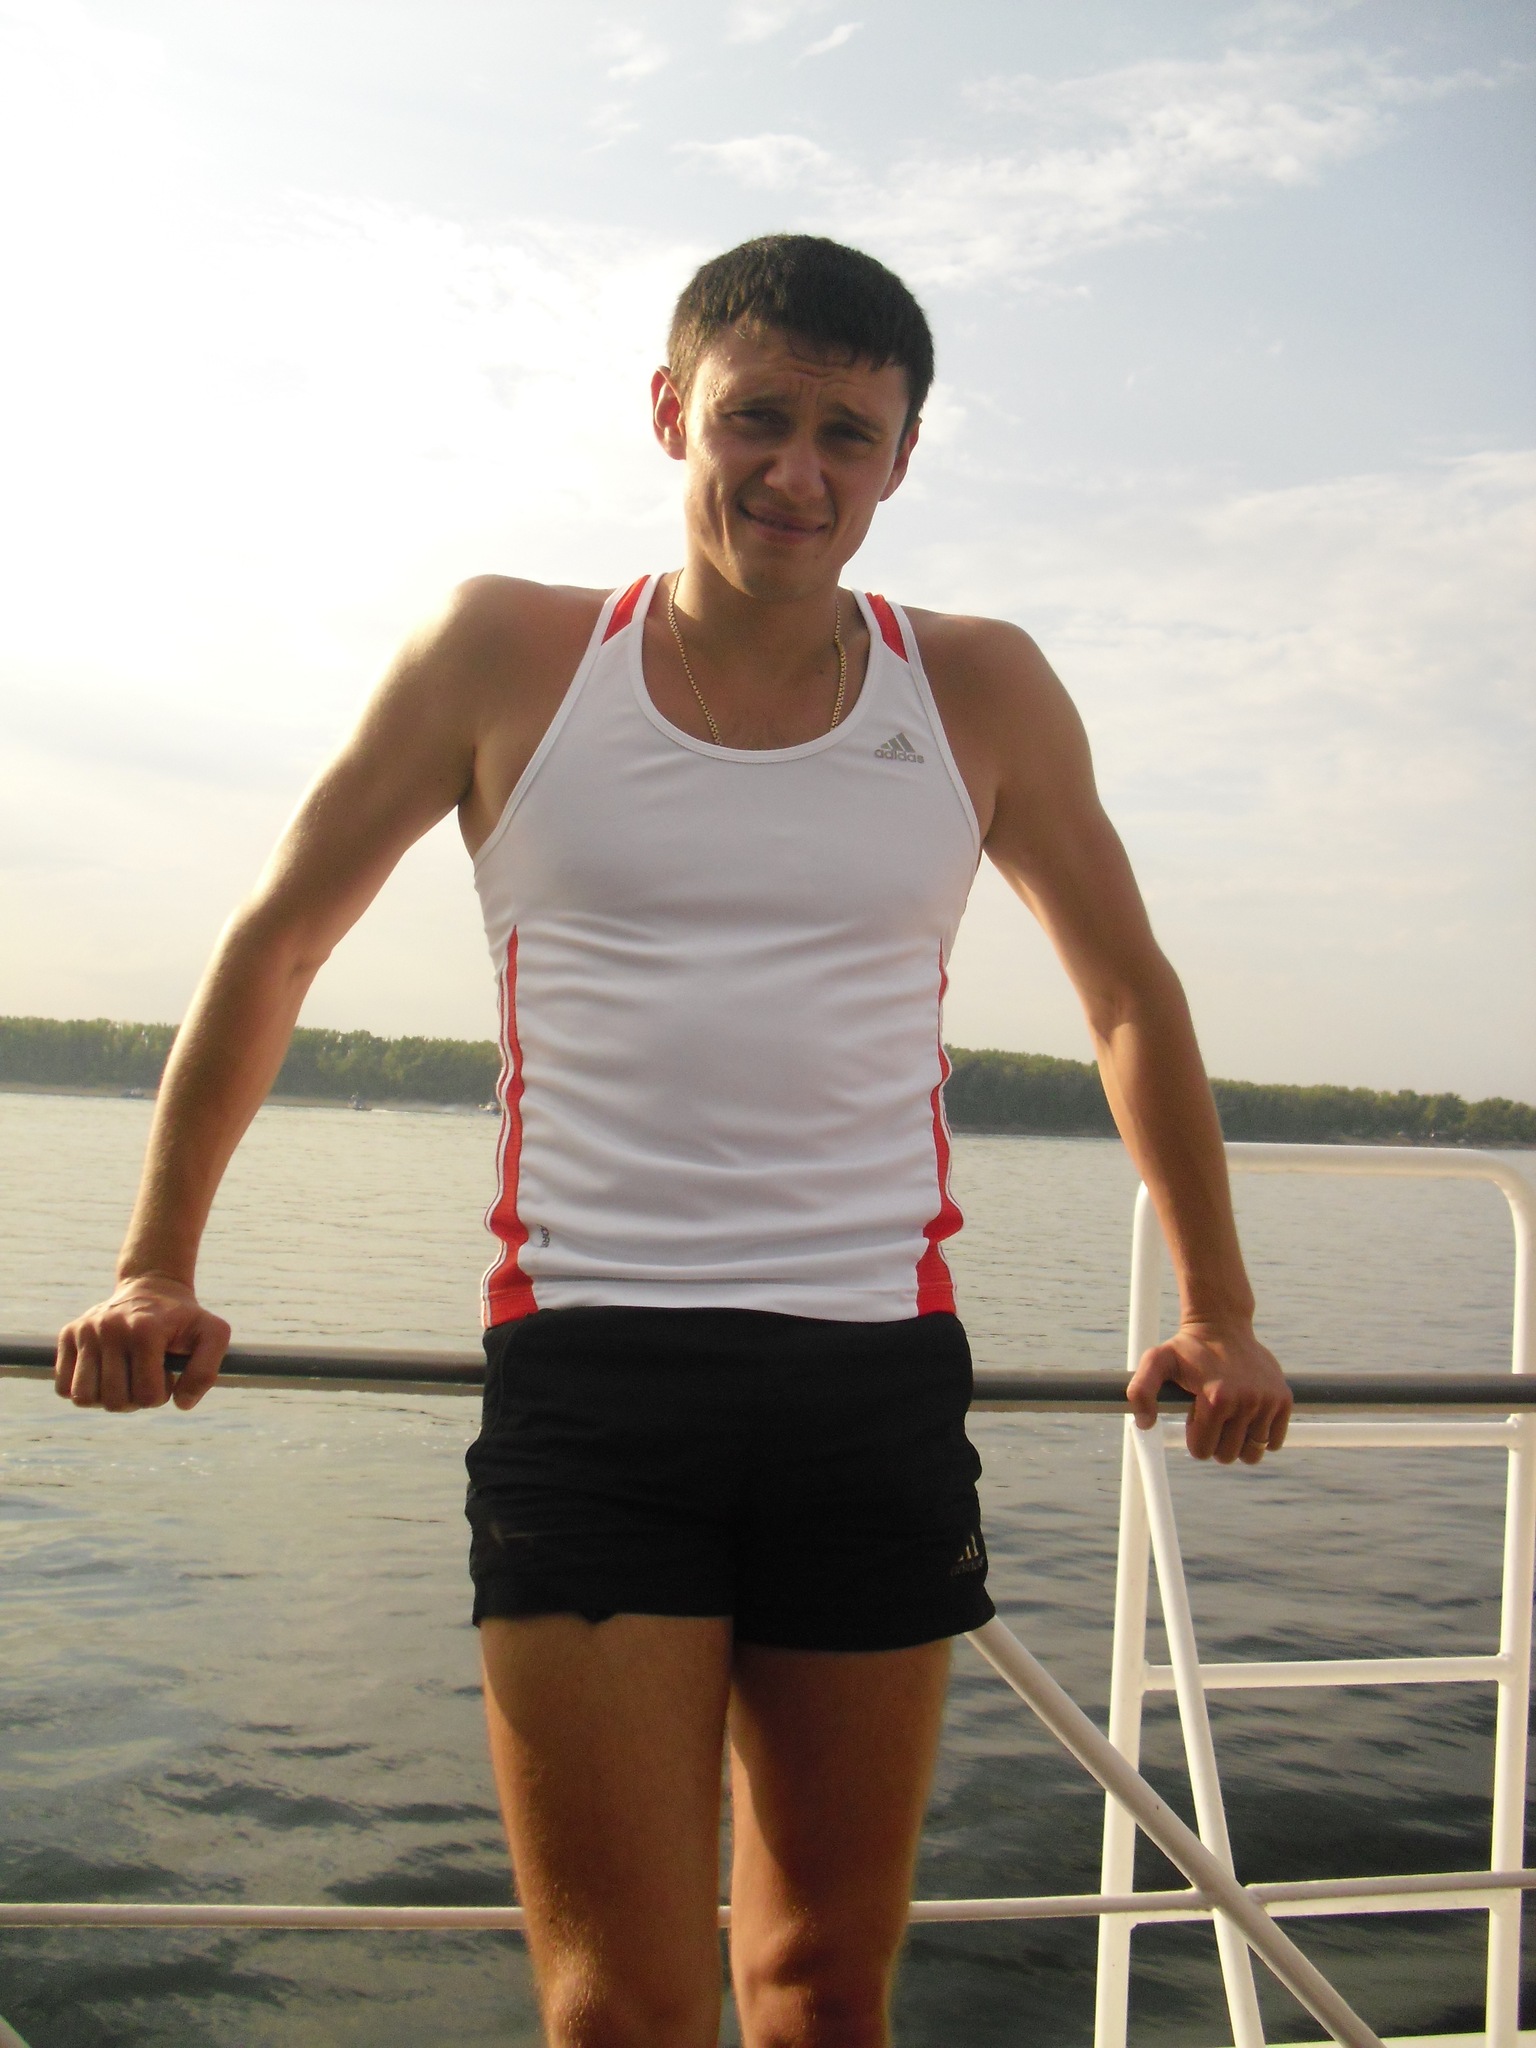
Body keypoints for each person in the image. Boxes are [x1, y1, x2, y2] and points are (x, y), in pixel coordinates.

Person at [55, 234, 1291, 2048]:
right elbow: (280, 944)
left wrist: (1219, 1304)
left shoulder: (979, 689)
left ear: (902, 458)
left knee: (821, 1994)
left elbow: (1125, 996)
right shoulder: (508, 654)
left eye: (848, 434)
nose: (798, 471)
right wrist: (157, 1262)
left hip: (873, 1386)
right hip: (593, 1384)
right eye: (756, 417)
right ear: (670, 412)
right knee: (621, 2009)